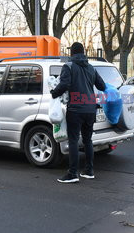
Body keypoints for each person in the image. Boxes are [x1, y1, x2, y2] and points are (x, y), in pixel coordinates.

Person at [51, 42, 106, 184]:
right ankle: (89, 171)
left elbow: (64, 84)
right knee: (88, 140)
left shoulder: (68, 66)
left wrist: (54, 93)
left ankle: (72, 173)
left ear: (72, 53)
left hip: (75, 109)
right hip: (90, 109)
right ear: (83, 53)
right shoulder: (91, 68)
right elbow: (102, 86)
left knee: (74, 140)